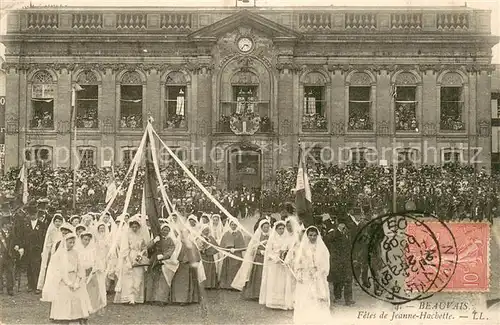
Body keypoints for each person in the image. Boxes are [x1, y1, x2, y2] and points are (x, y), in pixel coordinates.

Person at [42, 232, 92, 324]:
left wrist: (77, 281)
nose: (72, 245)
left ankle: (77, 316)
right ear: (65, 242)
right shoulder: (59, 254)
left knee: (78, 294)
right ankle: (63, 316)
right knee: (64, 294)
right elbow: (58, 271)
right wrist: (68, 283)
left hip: (74, 277)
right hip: (63, 280)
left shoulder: (76, 253)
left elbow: (80, 268)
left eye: (73, 242)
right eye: (70, 242)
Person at [293, 226, 331, 325]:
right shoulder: (303, 247)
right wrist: (303, 271)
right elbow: (298, 262)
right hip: (307, 276)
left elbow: (325, 262)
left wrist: (319, 271)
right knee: (307, 296)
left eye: (314, 235)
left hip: (318, 276)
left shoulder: (322, 248)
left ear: (317, 236)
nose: (313, 237)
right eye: (310, 235)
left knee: (319, 295)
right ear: (307, 236)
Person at [113, 216, 148, 305]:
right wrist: (128, 260)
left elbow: (144, 247)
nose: (135, 228)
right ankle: (129, 298)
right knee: (129, 278)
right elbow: (124, 249)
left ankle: (136, 298)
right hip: (129, 256)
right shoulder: (127, 235)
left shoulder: (141, 236)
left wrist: (141, 253)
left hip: (139, 257)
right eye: (133, 227)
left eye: (136, 227)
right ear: (130, 227)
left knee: (138, 277)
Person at [232, 219, 270, 300]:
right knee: (257, 275)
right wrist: (260, 251)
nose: (266, 229)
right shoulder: (257, 236)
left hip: (267, 259)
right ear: (261, 228)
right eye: (264, 227)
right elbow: (252, 248)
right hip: (258, 258)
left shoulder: (271, 236)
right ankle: (254, 294)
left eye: (267, 227)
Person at [259, 220, 292, 310]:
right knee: (273, 281)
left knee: (282, 282)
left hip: (283, 263)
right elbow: (268, 251)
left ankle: (281, 302)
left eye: (282, 228)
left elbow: (289, 250)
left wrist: (285, 258)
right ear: (276, 229)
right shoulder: (272, 238)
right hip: (274, 263)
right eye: (279, 229)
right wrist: (275, 258)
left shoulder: (287, 238)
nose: (281, 230)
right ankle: (272, 301)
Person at [145, 223, 178, 305]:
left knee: (162, 280)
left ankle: (161, 299)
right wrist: (154, 241)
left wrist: (164, 256)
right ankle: (149, 298)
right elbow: (148, 247)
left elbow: (171, 249)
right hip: (154, 260)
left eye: (167, 230)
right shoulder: (157, 238)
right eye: (163, 230)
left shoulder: (170, 240)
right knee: (152, 279)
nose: (165, 232)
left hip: (164, 262)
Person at [169, 228, 203, 305]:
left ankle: (184, 299)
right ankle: (176, 299)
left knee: (186, 282)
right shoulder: (177, 243)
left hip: (187, 266)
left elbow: (196, 255)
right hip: (177, 265)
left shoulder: (191, 243)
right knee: (177, 282)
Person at [19, 205, 47, 294]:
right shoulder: (25, 224)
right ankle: (30, 285)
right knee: (29, 267)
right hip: (28, 249)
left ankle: (37, 285)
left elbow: (44, 237)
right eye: (31, 214)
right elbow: (22, 236)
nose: (33, 216)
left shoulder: (42, 224)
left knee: (37, 267)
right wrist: (22, 247)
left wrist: (43, 249)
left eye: (34, 214)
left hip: (37, 249)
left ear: (37, 214)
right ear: (29, 215)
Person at [326, 223, 355, 306]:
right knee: (337, 280)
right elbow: (328, 240)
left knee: (348, 279)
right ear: (339, 225)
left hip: (346, 260)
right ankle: (337, 296)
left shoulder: (347, 233)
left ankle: (348, 299)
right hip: (337, 261)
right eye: (342, 224)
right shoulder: (334, 233)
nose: (344, 227)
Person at [79, 231, 106, 314]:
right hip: (81, 272)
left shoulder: (93, 250)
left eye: (88, 240)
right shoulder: (78, 250)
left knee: (93, 290)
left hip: (91, 272)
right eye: (84, 239)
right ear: (81, 239)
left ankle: (94, 306)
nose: (86, 241)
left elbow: (97, 261)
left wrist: (94, 268)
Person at [37, 214, 64, 292]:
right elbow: (48, 243)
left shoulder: (64, 231)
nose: (58, 223)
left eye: (59, 221)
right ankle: (45, 286)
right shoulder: (51, 231)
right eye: (56, 221)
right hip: (53, 251)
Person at [219, 220, 246, 289]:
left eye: (235, 225)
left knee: (236, 268)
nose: (234, 226)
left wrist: (236, 249)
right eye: (232, 224)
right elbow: (222, 246)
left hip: (237, 255)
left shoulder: (239, 234)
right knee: (228, 269)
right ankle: (227, 285)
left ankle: (236, 285)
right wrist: (227, 249)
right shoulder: (226, 234)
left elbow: (243, 246)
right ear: (230, 225)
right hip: (228, 255)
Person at [0, 216, 21, 296]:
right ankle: (0, 288)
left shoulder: (11, 233)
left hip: (9, 256)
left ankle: (10, 289)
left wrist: (17, 246)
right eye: (9, 223)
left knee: (10, 272)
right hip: (1, 255)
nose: (11, 225)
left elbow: (16, 241)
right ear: (4, 225)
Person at [197, 225, 219, 289]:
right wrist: (201, 249)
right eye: (205, 230)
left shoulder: (211, 238)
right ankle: (204, 284)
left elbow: (216, 247)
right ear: (202, 230)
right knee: (203, 270)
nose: (206, 232)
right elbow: (197, 246)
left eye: (207, 230)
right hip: (203, 257)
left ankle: (211, 284)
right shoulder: (199, 237)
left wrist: (209, 250)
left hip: (209, 257)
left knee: (210, 270)